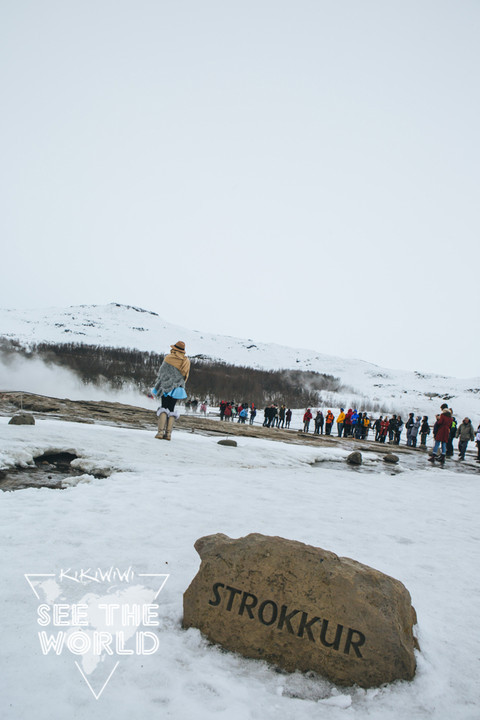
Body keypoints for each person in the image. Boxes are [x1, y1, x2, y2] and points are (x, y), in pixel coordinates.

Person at [152, 340, 190, 441]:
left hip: (166, 386)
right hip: (178, 387)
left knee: (164, 407)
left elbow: (161, 372)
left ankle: (160, 432)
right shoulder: (186, 361)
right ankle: (168, 434)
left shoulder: (169, 358)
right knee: (171, 409)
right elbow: (185, 376)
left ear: (174, 349)